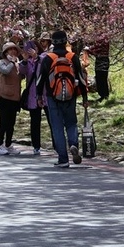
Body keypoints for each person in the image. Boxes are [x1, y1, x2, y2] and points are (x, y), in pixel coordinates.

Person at [36, 30, 88, 167]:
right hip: (70, 96)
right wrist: (85, 97)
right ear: (66, 41)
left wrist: (39, 96)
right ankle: (73, 144)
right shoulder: (73, 57)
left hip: (52, 96)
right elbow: (81, 79)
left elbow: (40, 79)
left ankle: (63, 159)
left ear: (52, 42)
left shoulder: (48, 58)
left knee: (57, 127)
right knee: (71, 123)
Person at [0, 42, 24, 155]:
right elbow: (6, 71)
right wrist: (12, 62)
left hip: (14, 97)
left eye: (15, 50)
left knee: (11, 122)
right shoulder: (1, 63)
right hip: (3, 96)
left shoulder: (17, 64)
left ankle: (8, 144)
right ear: (5, 52)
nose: (13, 52)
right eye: (10, 50)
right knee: (3, 122)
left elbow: (22, 74)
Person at [19, 40, 47, 155]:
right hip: (32, 94)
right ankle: (36, 146)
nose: (29, 51)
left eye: (31, 48)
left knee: (51, 120)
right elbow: (22, 72)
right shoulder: (27, 62)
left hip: (45, 94)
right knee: (35, 121)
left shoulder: (44, 57)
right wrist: (25, 60)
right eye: (27, 49)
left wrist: (37, 57)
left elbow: (46, 67)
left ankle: (57, 145)